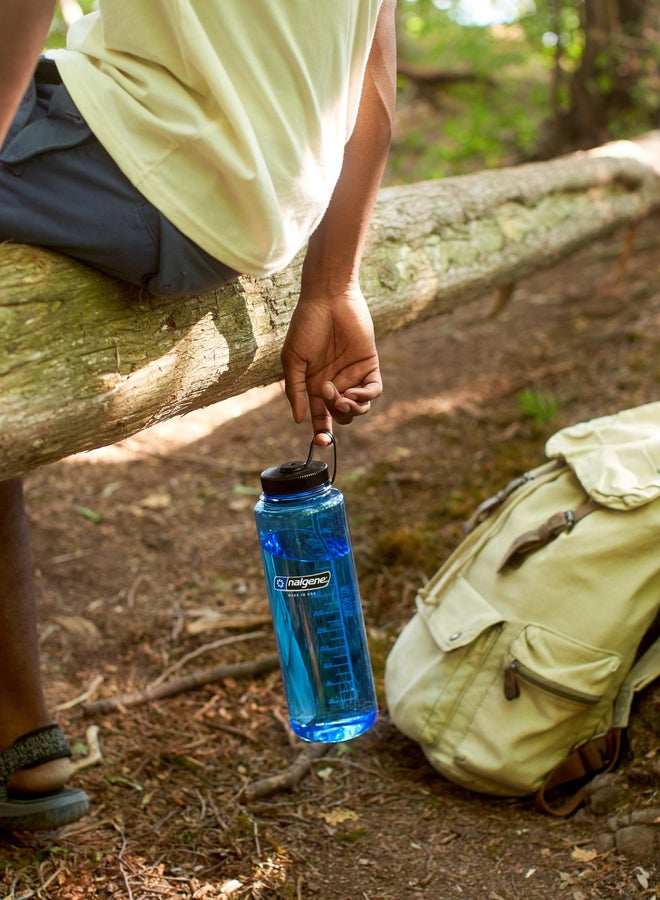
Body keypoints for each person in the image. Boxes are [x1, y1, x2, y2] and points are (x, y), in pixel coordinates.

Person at [0, 0, 397, 830]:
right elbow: (375, 82)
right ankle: (24, 741)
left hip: (131, 154)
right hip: (258, 217)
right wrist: (333, 283)